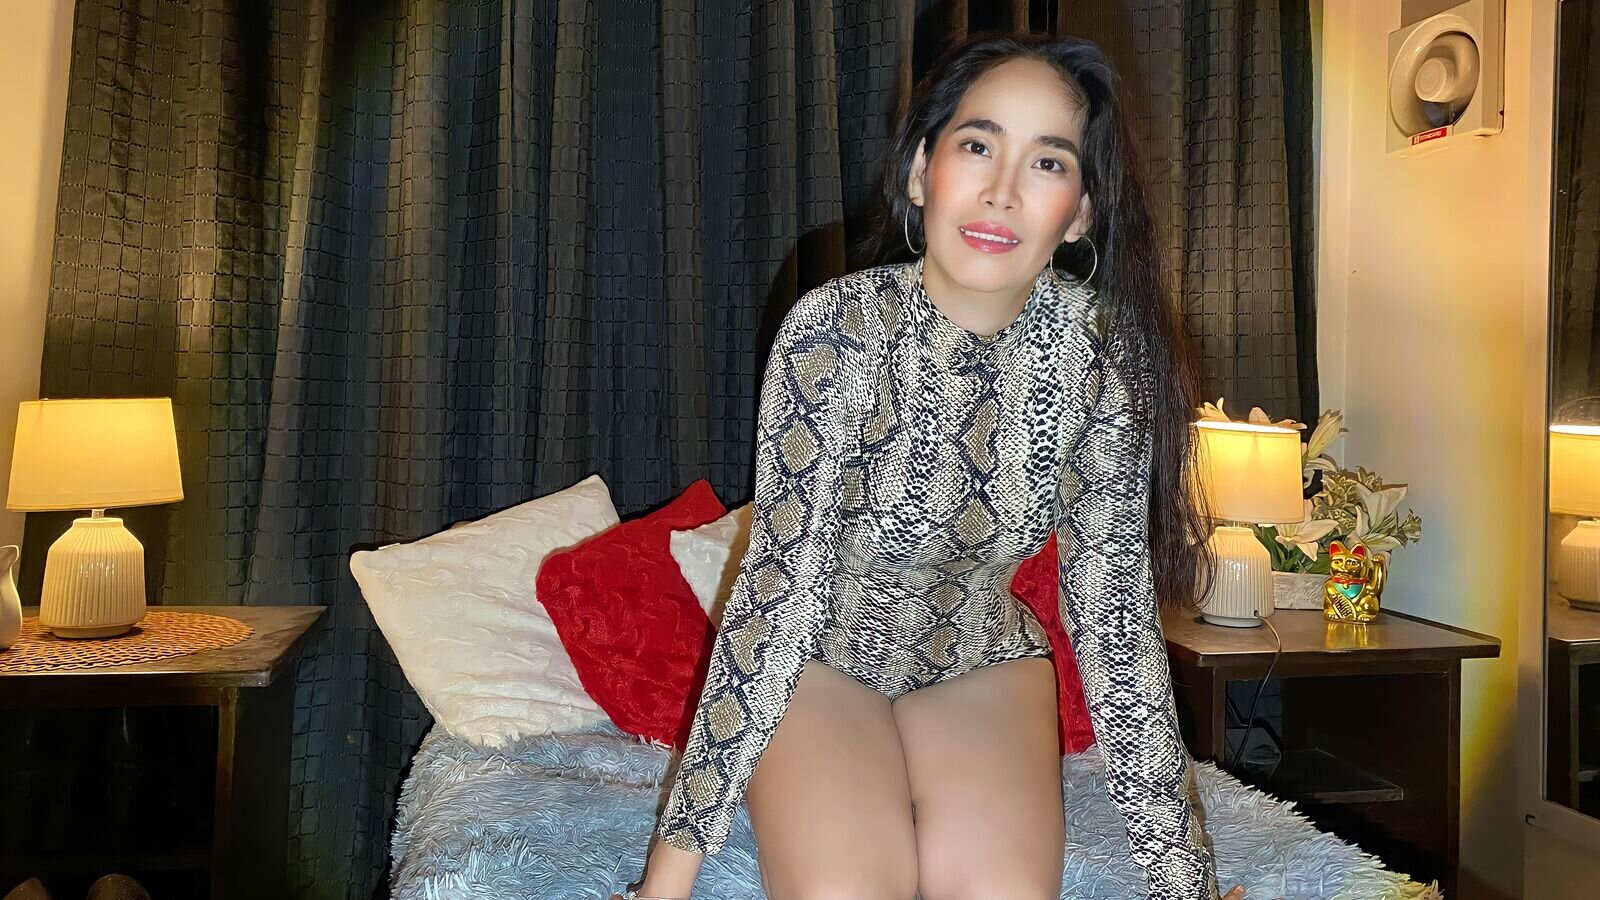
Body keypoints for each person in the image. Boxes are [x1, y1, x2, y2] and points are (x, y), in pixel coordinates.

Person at [616, 30, 1247, 900]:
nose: (1001, 191)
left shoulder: (1102, 360)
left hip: (984, 664)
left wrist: (1186, 885)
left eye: (1048, 163)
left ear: (1082, 213)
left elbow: (1114, 623)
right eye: (978, 145)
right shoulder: (837, 333)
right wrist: (664, 885)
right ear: (922, 171)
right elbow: (779, 593)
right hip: (819, 659)